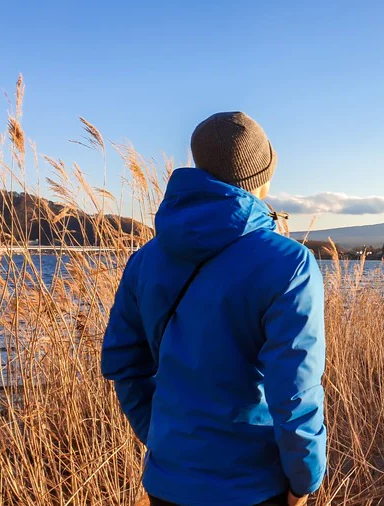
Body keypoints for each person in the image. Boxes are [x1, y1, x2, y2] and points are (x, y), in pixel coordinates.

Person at [101, 112, 327, 506]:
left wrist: (162, 437)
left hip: (167, 483)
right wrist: (303, 481)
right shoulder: (289, 265)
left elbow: (123, 363)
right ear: (263, 176)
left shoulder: (145, 261)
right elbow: (294, 393)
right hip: (255, 488)